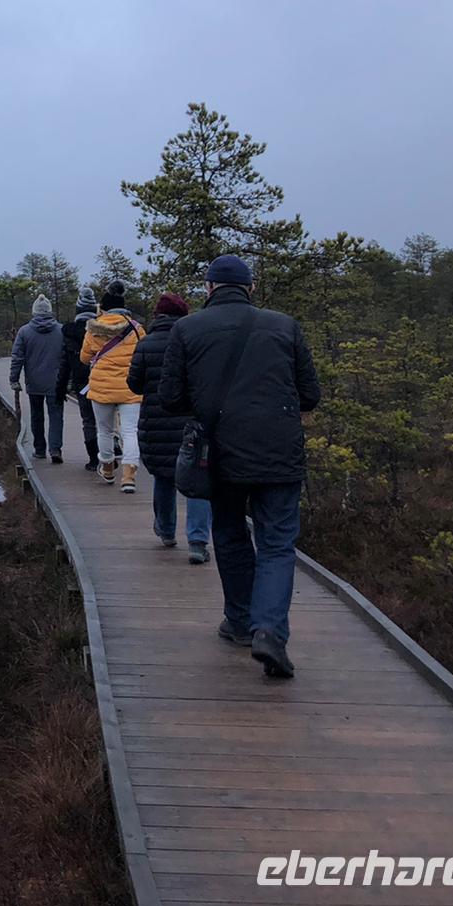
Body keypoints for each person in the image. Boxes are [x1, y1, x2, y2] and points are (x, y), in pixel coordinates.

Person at [158, 255, 321, 680]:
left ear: (209, 288)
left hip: (221, 452)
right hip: (279, 452)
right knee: (277, 544)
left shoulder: (187, 328)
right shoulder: (285, 325)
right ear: (249, 288)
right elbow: (310, 395)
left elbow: (170, 398)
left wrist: (211, 407)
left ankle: (239, 621)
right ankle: (269, 630)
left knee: (229, 535)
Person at [128, 292, 212, 563]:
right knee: (198, 481)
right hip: (192, 423)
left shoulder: (146, 344)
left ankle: (166, 530)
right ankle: (198, 541)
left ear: (157, 316)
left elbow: (134, 384)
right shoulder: (196, 342)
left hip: (156, 421)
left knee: (164, 477)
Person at [80, 279, 144, 491]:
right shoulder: (136, 329)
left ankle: (107, 468)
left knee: (104, 430)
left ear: (104, 308)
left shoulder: (93, 329)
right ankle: (129, 477)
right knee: (130, 432)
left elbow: (84, 357)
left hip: (101, 388)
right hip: (130, 387)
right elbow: (143, 355)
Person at [9, 294, 66, 462]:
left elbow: (17, 357)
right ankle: (55, 450)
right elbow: (66, 357)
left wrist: (14, 379)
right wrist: (67, 380)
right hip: (56, 382)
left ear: (34, 311)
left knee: (36, 415)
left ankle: (39, 449)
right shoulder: (61, 330)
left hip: (34, 382)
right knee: (56, 416)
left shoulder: (24, 331)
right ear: (50, 311)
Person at [55, 287, 101, 470]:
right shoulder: (103, 331)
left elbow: (64, 364)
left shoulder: (69, 333)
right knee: (106, 421)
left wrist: (60, 388)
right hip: (104, 380)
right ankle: (109, 452)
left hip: (82, 382)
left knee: (88, 420)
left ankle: (93, 460)